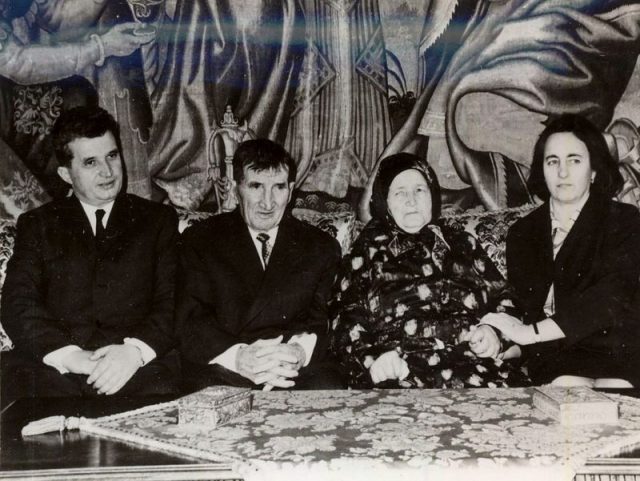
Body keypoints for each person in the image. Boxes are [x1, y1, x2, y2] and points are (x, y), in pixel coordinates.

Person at [1, 106, 179, 405]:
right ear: (66, 174)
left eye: (112, 156)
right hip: (58, 372)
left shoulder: (157, 220)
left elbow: (173, 297)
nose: (107, 172)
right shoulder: (38, 225)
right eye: (90, 162)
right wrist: (71, 357)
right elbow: (18, 302)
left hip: (137, 370)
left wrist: (134, 352)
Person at [330, 153, 529, 389]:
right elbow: (344, 320)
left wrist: (494, 331)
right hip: (402, 372)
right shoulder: (366, 252)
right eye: (400, 193)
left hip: (475, 368)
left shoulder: (462, 243)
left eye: (419, 190)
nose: (411, 201)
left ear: (432, 196)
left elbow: (506, 299)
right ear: (385, 201)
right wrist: (374, 361)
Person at [473, 114, 640, 388]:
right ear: (543, 169)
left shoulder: (624, 220)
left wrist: (529, 333)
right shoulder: (522, 234)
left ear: (594, 169)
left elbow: (611, 296)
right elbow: (526, 308)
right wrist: (501, 345)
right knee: (566, 390)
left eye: (574, 160)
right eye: (553, 161)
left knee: (616, 393)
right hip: (557, 358)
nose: (563, 172)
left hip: (620, 350)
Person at [177, 139, 343, 391]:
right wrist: (239, 357)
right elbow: (191, 320)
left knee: (330, 385)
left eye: (278, 187)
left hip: (291, 369)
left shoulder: (320, 246)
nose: (268, 202)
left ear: (291, 190)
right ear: (235, 189)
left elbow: (320, 322)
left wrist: (298, 353)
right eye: (256, 186)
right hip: (227, 367)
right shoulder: (200, 240)